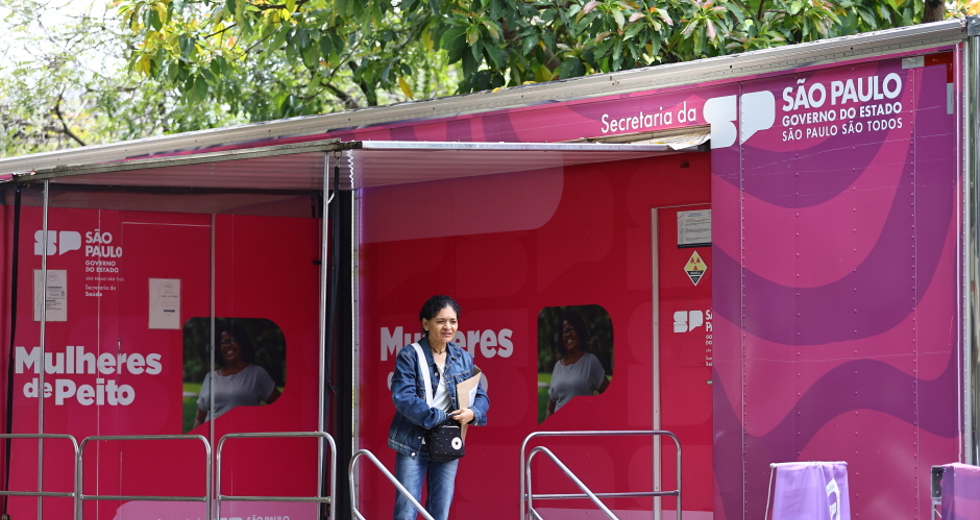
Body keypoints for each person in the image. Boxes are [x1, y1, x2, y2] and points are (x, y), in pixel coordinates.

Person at [388, 295, 489, 520]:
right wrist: (438, 417)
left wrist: (473, 413)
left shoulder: (464, 358)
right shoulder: (409, 355)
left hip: (447, 442)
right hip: (413, 442)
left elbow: (481, 396)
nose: (448, 327)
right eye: (441, 321)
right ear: (426, 324)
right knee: (406, 511)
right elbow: (402, 396)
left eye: (453, 321)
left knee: (440, 512)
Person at [194, 321, 281, 428]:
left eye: (233, 340)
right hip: (212, 442)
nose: (228, 345)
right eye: (223, 342)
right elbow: (200, 418)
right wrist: (196, 443)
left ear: (242, 343)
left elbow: (280, 408)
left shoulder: (257, 374)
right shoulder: (209, 377)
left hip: (241, 441)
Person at [546, 310, 609, 418]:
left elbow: (609, 397)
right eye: (564, 331)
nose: (568, 334)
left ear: (579, 331)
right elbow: (550, 409)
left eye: (572, 329)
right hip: (559, 430)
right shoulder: (557, 366)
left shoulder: (591, 361)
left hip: (580, 429)